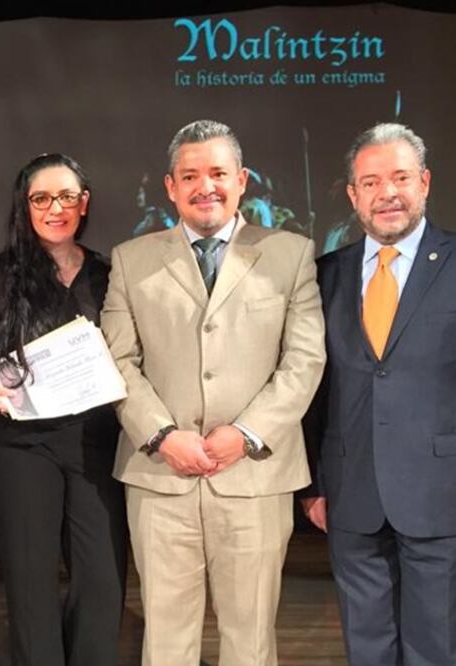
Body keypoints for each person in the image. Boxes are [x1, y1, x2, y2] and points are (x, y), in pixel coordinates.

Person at [300, 122, 456, 666]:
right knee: (368, 648)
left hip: (445, 493)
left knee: (437, 649)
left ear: (425, 182)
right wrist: (312, 483)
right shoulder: (324, 276)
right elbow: (312, 391)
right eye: (371, 181)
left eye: (401, 177)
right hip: (350, 494)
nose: (388, 192)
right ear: (354, 194)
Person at [101, 119, 326, 666]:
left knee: (250, 641)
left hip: (254, 476)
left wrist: (245, 434)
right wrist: (160, 435)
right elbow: (116, 362)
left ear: (242, 179)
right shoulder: (131, 259)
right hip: (161, 477)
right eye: (191, 175)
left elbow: (304, 360)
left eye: (219, 173)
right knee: (167, 640)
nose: (207, 186)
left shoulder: (290, 253)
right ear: (170, 186)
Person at [0, 153, 127, 665]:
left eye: (67, 196)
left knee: (102, 583)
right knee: (31, 588)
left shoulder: (108, 276)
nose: (55, 208)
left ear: (84, 203)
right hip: (24, 448)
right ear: (24, 207)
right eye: (41, 198)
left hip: (97, 448)